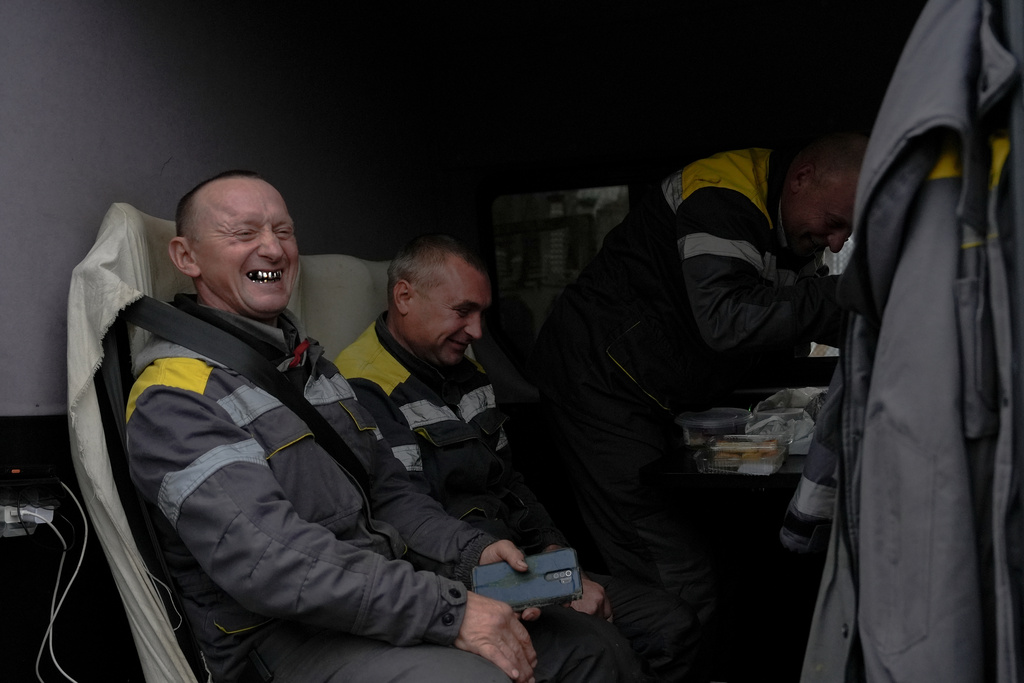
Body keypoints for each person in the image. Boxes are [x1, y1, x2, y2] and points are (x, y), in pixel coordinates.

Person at [126, 170, 648, 683]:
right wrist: (447, 609)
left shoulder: (311, 368)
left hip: (376, 597)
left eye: (283, 232)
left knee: (592, 649)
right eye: (244, 233)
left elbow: (389, 493)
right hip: (279, 637)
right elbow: (270, 561)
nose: (273, 249)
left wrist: (471, 554)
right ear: (186, 257)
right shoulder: (174, 396)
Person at [525, 133, 869, 629]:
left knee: (726, 553)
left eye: (847, 233)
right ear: (801, 179)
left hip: (660, 390)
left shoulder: (793, 230)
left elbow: (783, 318)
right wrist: (851, 294)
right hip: (599, 386)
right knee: (676, 576)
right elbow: (728, 318)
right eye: (834, 223)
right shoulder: (722, 195)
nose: (836, 242)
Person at [335, 234, 703, 682]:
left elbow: (510, 483)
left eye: (482, 313)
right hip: (461, 582)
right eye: (463, 311)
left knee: (672, 623)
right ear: (405, 296)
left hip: (523, 563)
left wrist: (555, 555)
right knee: (601, 649)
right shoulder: (361, 390)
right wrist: (543, 585)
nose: (477, 332)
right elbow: (407, 527)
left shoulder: (466, 373)